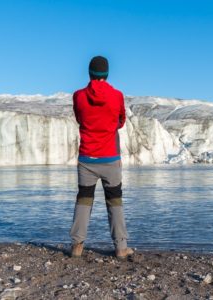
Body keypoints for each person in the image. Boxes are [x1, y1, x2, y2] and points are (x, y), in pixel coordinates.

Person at [69, 56, 134, 259]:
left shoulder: (78, 96)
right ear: (106, 74)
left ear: (89, 73)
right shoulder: (117, 96)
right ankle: (121, 248)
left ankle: (77, 246)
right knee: (115, 201)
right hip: (110, 159)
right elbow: (121, 120)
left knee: (84, 200)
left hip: (87, 158)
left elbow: (80, 118)